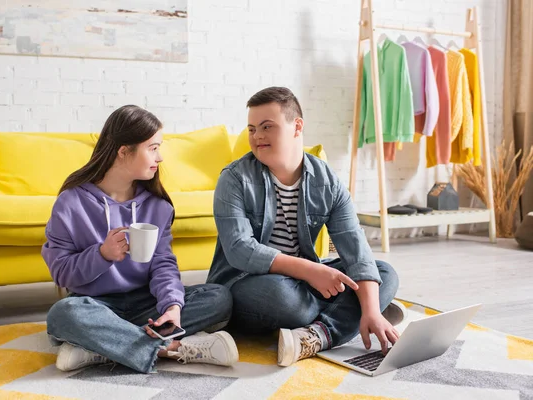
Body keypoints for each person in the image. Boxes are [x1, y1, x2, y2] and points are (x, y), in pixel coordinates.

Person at [207, 87, 404, 367]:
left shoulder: (328, 181)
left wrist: (371, 307)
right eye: (252, 129)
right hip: (248, 282)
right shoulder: (234, 179)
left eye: (267, 127)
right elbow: (240, 251)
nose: (257, 136)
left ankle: (319, 334)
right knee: (285, 299)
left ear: (296, 126)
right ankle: (347, 312)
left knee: (384, 273)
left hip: (303, 283)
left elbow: (357, 250)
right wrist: (312, 271)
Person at [42, 105, 239, 374]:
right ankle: (168, 349)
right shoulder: (71, 203)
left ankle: (101, 346)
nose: (160, 158)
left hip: (146, 303)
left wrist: (171, 306)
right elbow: (61, 273)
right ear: (124, 151)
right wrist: (101, 254)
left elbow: (163, 265)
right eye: (153, 147)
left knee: (219, 297)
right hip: (95, 304)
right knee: (62, 314)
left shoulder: (158, 206)